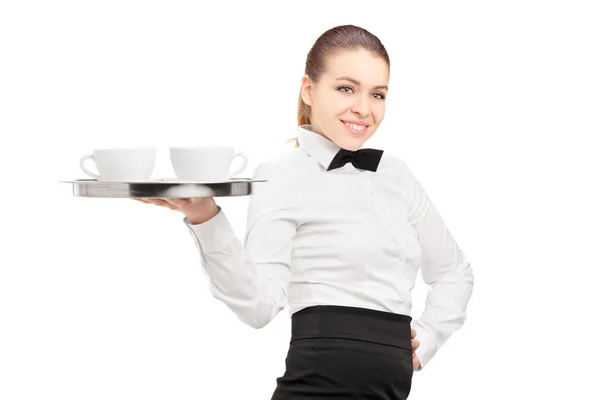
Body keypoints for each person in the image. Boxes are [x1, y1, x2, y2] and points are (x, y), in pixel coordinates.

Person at [136, 24, 474, 400]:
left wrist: (427, 338)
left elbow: (454, 272)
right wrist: (206, 218)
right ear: (309, 90)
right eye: (346, 88)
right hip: (315, 389)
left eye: (377, 94)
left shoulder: (397, 175)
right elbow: (259, 307)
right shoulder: (282, 173)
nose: (363, 108)